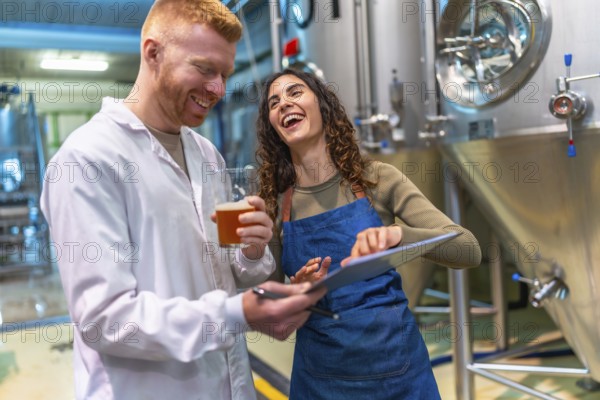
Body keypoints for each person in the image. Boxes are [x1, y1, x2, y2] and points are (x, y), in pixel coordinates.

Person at [40, 2, 325, 399]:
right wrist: (237, 312)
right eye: (205, 69)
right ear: (153, 52)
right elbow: (105, 319)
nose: (219, 89)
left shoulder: (206, 154)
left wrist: (251, 250)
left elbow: (223, 272)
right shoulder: (88, 160)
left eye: (224, 74)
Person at [256, 68, 483, 399]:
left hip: (399, 375)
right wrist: (296, 293)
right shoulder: (276, 206)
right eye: (274, 102)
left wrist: (397, 235)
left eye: (295, 92)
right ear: (273, 127)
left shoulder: (378, 179)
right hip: (320, 381)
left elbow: (468, 250)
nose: (283, 104)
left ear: (322, 105)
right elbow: (266, 308)